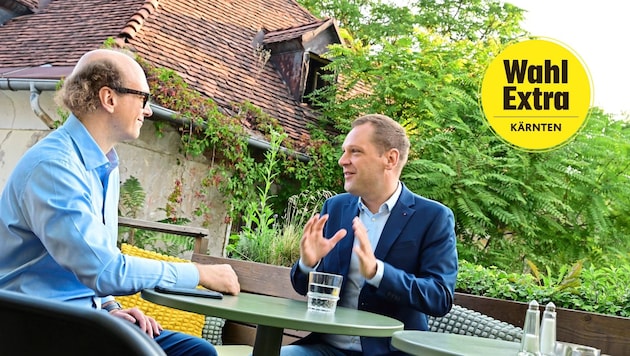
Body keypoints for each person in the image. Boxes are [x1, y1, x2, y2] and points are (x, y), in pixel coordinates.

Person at [0, 48, 240, 356]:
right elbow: (106, 271)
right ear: (109, 98)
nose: (148, 111)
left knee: (197, 351)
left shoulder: (103, 164)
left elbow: (90, 259)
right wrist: (199, 273)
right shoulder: (55, 168)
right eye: (143, 98)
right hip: (35, 328)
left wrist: (110, 307)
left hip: (81, 318)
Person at [281, 114, 458, 356]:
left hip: (390, 352)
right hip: (326, 349)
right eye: (344, 151)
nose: (343, 160)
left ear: (390, 159)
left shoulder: (433, 217)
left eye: (355, 151)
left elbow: (439, 297)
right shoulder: (335, 208)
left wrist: (378, 273)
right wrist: (307, 264)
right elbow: (302, 286)